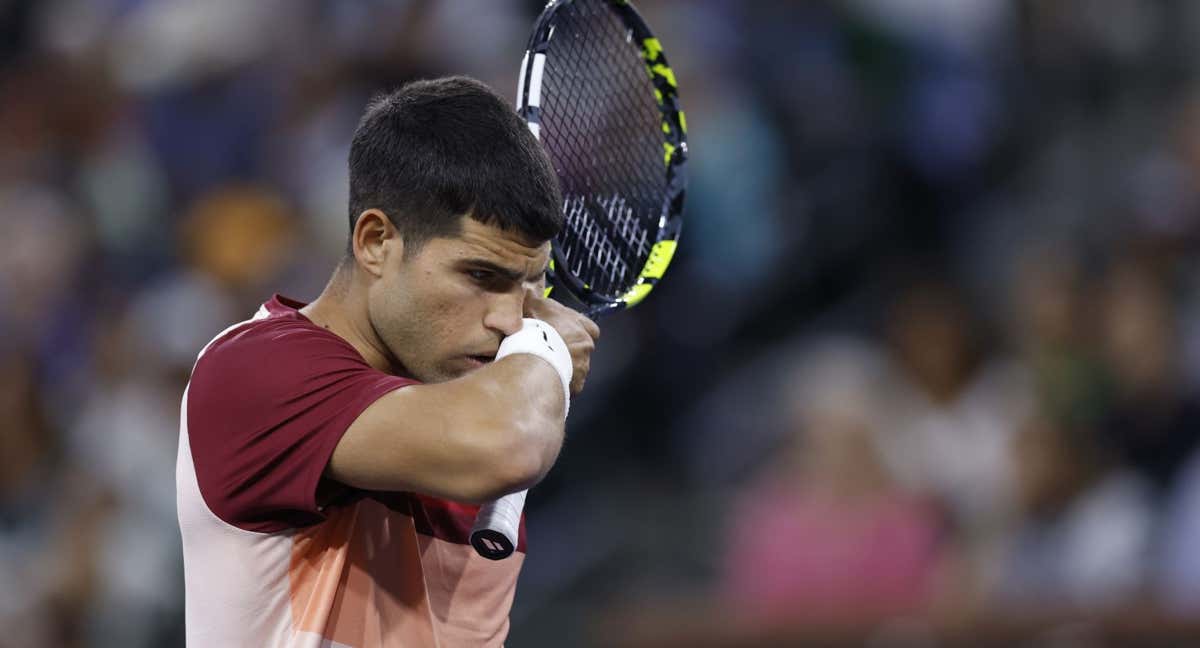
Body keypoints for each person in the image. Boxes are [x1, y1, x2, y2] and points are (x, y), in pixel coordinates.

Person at [176, 76, 600, 647]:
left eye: (530, 283)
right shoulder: (253, 371)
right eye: (480, 276)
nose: (509, 319)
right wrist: (544, 348)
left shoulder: (479, 404)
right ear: (376, 241)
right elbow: (508, 444)